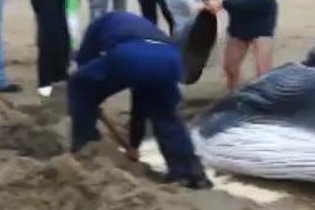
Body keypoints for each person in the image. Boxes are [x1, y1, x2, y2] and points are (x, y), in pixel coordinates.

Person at [67, 11, 213, 190]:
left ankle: (87, 149)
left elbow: (84, 66)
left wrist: (91, 100)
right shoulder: (143, 26)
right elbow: (139, 107)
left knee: (78, 87)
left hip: (129, 56)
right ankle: (190, 173)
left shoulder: (98, 25)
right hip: (170, 59)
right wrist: (134, 144)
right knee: (167, 117)